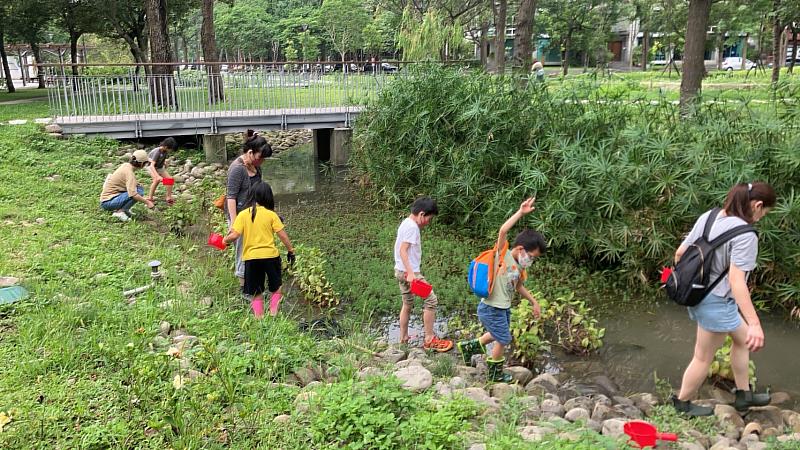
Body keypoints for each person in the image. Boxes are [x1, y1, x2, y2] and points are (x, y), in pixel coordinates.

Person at [671, 182, 776, 416]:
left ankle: (743, 395)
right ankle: (682, 404)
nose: (761, 218)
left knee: (742, 340)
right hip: (716, 303)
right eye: (764, 213)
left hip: (698, 295)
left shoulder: (709, 216)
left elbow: (680, 253)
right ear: (758, 205)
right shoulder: (746, 235)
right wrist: (756, 324)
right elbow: (737, 282)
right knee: (702, 357)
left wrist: (697, 286)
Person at [457, 198, 545, 382]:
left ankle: (470, 347)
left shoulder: (520, 267)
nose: (531, 261)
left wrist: (534, 302)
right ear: (520, 249)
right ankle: (495, 374)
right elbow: (503, 230)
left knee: (499, 332)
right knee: (503, 339)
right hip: (490, 307)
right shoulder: (502, 255)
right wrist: (520, 213)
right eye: (531, 256)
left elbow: (519, 286)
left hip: (503, 307)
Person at [222, 181, 295, 318]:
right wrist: (291, 250)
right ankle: (273, 313)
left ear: (251, 196)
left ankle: (259, 317)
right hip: (270, 256)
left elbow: (235, 235)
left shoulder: (243, 215)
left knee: (256, 291)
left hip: (251, 258)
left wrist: (224, 241)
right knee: (276, 287)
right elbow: (283, 236)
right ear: (268, 197)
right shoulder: (271, 215)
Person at [394, 197, 453, 352]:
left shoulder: (405, 223)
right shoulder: (413, 227)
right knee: (431, 300)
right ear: (421, 214)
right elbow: (402, 250)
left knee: (407, 303)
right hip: (409, 273)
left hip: (400, 271)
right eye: (429, 218)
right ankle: (429, 339)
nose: (428, 222)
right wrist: (411, 273)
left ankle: (403, 338)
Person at [226, 130, 273, 286]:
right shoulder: (237, 169)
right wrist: (233, 224)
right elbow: (231, 197)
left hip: (253, 215)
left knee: (255, 251)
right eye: (261, 158)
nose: (262, 162)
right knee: (242, 253)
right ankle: (244, 290)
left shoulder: (255, 166)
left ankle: (254, 286)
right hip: (240, 217)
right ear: (251, 153)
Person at [99, 150, 155, 221]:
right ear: (141, 164)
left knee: (138, 188)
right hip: (108, 202)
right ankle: (120, 212)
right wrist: (148, 202)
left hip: (107, 199)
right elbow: (133, 194)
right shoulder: (129, 173)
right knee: (138, 192)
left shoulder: (126, 165)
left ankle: (125, 210)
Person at [146, 137, 178, 204]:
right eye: (171, 149)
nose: (171, 151)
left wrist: (164, 163)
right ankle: (150, 198)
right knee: (156, 180)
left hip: (159, 167)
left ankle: (168, 197)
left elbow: (161, 158)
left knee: (170, 179)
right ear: (166, 147)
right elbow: (152, 165)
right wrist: (157, 176)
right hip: (151, 167)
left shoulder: (165, 151)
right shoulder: (157, 152)